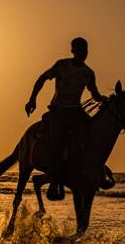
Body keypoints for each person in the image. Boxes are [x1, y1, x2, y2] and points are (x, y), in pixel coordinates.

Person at [24, 37, 106, 188]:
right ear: (73, 51)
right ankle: (54, 178)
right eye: (80, 50)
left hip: (76, 110)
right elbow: (43, 78)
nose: (83, 53)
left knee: (92, 133)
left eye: (85, 50)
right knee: (57, 140)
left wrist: (103, 99)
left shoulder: (88, 73)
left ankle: (98, 170)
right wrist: (32, 99)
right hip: (58, 110)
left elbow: (94, 93)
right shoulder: (62, 66)